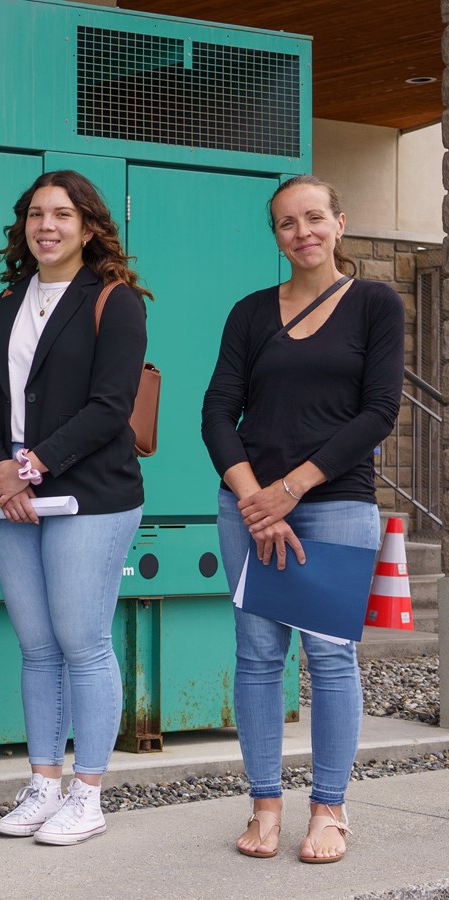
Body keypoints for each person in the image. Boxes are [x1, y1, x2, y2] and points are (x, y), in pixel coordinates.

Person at [201, 174, 403, 864]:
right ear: (277, 235)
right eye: (287, 223)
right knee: (258, 658)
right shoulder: (251, 312)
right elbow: (216, 413)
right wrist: (257, 499)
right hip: (248, 503)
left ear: (340, 224)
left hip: (337, 502)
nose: (302, 232)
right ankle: (263, 804)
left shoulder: (375, 303)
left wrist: (290, 489)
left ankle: (328, 808)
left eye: (314, 218)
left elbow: (379, 412)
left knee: (329, 655)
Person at [0, 170, 150, 846]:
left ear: (89, 226)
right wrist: (0, 475)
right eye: (36, 215)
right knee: (37, 647)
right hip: (13, 496)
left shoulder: (115, 301)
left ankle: (88, 793)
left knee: (83, 642)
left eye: (62, 215)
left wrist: (31, 468)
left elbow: (110, 406)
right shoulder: (3, 305)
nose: (47, 226)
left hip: (91, 494)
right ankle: (43, 784)